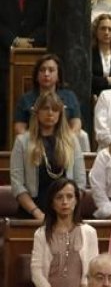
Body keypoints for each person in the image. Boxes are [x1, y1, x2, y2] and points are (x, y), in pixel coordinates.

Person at [11, 92, 86, 220]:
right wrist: (36, 213)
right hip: (32, 212)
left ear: (60, 113)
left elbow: (80, 182)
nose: (50, 113)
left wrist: (68, 208)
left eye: (55, 109)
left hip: (66, 212)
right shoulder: (22, 141)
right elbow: (17, 185)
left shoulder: (71, 141)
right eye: (46, 108)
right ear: (37, 112)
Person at [31, 179, 97, 287]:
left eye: (69, 196)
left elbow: (92, 272)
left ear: (76, 200)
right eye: (59, 197)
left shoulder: (90, 232)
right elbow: (36, 272)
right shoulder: (40, 234)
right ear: (52, 203)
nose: (65, 202)